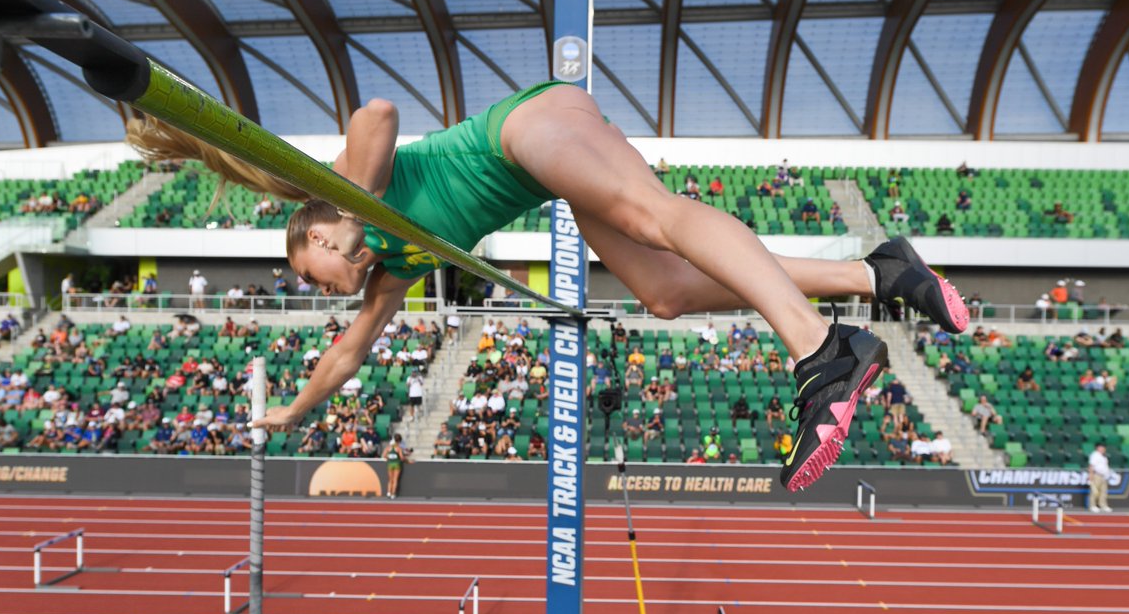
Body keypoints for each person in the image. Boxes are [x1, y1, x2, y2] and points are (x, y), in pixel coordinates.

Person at [136, 84, 967, 492]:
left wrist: (353, 204)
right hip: (547, 172)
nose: (333, 285)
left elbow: (379, 111)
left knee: (653, 217)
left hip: (524, 129)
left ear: (318, 234)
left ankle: (819, 349)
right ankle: (879, 274)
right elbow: (348, 353)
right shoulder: (397, 266)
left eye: (317, 270)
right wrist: (292, 410)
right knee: (666, 291)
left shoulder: (355, 188)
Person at [1088, 443, 1113, 513]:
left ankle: (1103, 505)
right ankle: (1092, 506)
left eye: (1103, 448)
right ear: (1097, 448)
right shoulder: (1095, 455)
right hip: (1097, 475)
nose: (1102, 449)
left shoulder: (1104, 456)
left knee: (1103, 492)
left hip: (1104, 476)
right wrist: (1091, 476)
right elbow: (1091, 466)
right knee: (1095, 491)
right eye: (1101, 447)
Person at [383, 434, 405, 499]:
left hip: (390, 464)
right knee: (395, 479)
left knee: (390, 479)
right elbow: (402, 458)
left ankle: (388, 492)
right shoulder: (398, 448)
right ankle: (393, 494)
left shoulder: (388, 447)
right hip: (397, 464)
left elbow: (384, 455)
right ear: (399, 441)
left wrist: (389, 458)